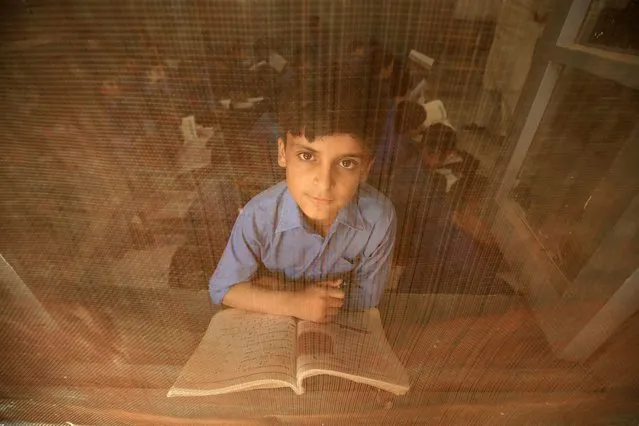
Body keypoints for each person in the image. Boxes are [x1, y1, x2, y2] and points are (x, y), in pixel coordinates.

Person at [208, 67, 395, 323]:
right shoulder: (260, 215)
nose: (324, 182)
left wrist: (282, 294)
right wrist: (293, 302)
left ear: (365, 169)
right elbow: (222, 288)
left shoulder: (378, 218)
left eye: (346, 163)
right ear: (283, 153)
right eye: (307, 156)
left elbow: (367, 298)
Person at [464, 0, 551, 138]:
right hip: (501, 37)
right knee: (490, 83)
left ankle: (506, 132)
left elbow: (543, 15)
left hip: (520, 40)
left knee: (512, 88)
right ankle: (480, 123)